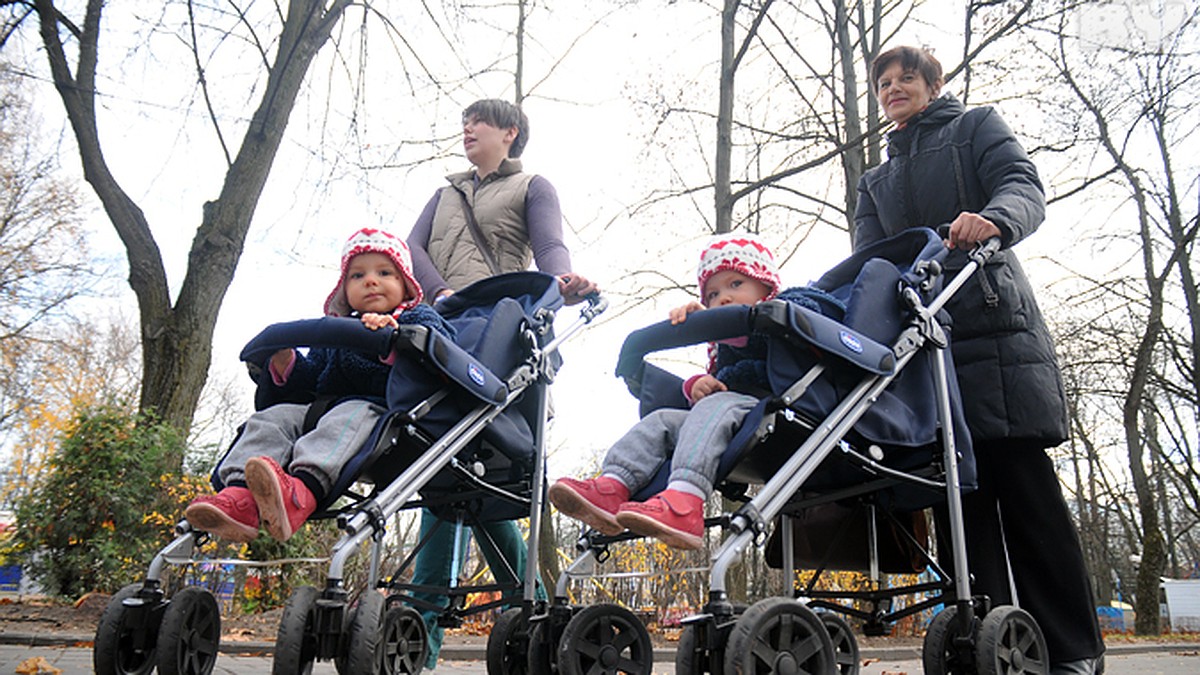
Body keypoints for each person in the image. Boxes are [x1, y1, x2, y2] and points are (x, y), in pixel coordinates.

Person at [853, 45, 1104, 675]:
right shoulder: (874, 179)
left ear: (933, 84)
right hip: (923, 347)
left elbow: (1024, 187)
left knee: (1025, 493)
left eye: (905, 77)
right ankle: (997, 649)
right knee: (960, 504)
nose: (893, 88)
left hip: (993, 332)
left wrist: (992, 221)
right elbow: (867, 264)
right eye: (883, 82)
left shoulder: (976, 128)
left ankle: (1073, 649)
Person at [405, 98, 596, 669]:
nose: (466, 129)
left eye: (478, 122)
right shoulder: (443, 194)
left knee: (461, 475)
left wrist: (562, 282)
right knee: (452, 473)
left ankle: (423, 634)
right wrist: (439, 294)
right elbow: (410, 249)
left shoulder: (533, 186)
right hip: (442, 332)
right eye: (463, 121)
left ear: (509, 133)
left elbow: (549, 247)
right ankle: (532, 616)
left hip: (499, 341)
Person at [548, 233, 838, 550]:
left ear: (767, 286)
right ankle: (614, 485)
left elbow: (789, 335)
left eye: (736, 284)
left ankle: (685, 500)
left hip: (776, 404)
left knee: (714, 407)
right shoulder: (726, 345)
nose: (723, 298)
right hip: (722, 413)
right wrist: (696, 384)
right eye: (713, 294)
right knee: (660, 420)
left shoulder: (793, 306)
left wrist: (727, 323)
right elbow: (718, 380)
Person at [185, 228, 454, 543]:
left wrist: (398, 341)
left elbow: (442, 351)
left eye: (384, 272)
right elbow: (312, 376)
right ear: (344, 289)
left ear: (406, 284)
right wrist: (288, 365)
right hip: (319, 407)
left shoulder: (418, 317)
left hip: (380, 409)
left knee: (347, 417)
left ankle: (302, 490)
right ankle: (240, 496)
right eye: (357, 275)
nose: (371, 280)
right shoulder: (337, 330)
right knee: (271, 419)